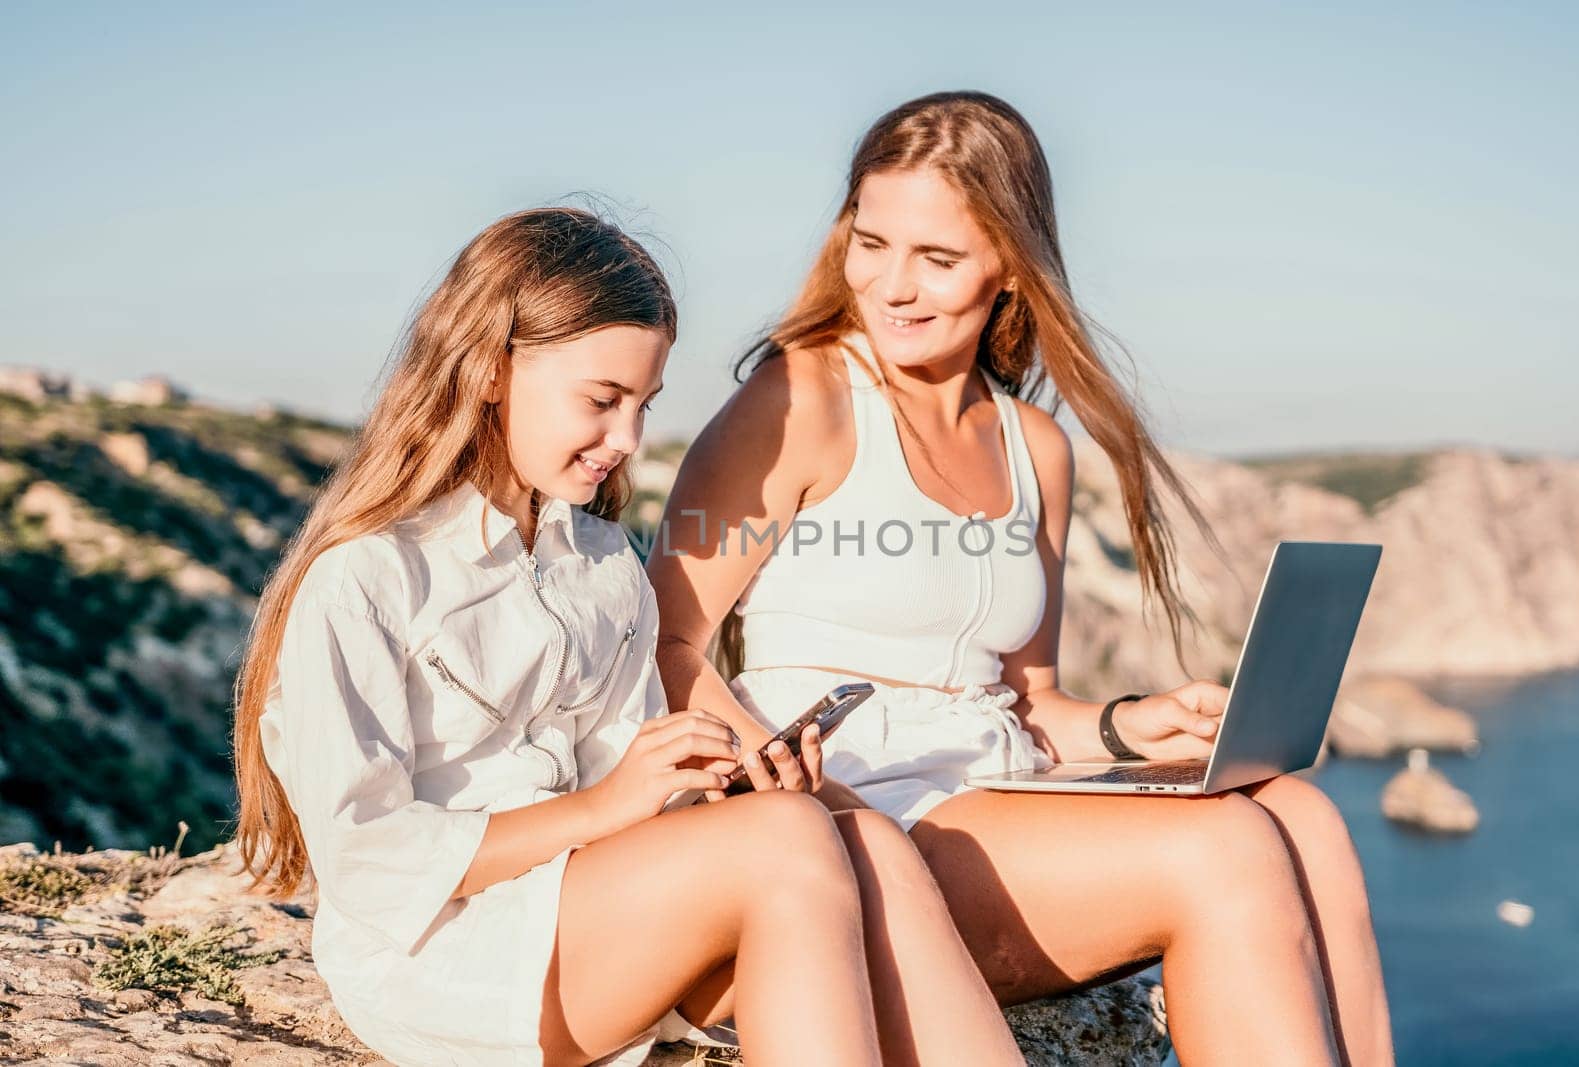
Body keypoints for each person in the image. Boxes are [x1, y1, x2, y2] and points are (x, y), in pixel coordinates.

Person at [648, 93, 1395, 1067]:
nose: (891, 286)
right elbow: (666, 640)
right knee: (1228, 849)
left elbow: (1024, 699)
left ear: (1011, 264)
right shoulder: (801, 398)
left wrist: (1133, 723)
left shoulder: (1033, 444)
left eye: (937, 258)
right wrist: (770, 771)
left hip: (997, 787)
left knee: (1301, 813)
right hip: (864, 814)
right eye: (871, 243)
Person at [230, 208, 1020, 1066]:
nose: (628, 440)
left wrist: (724, 786)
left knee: (860, 835)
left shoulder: (604, 567)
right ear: (491, 370)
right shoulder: (369, 578)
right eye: (603, 400)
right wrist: (607, 808)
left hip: (598, 913)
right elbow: (370, 856)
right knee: (792, 839)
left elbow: (632, 795)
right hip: (442, 953)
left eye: (643, 404)